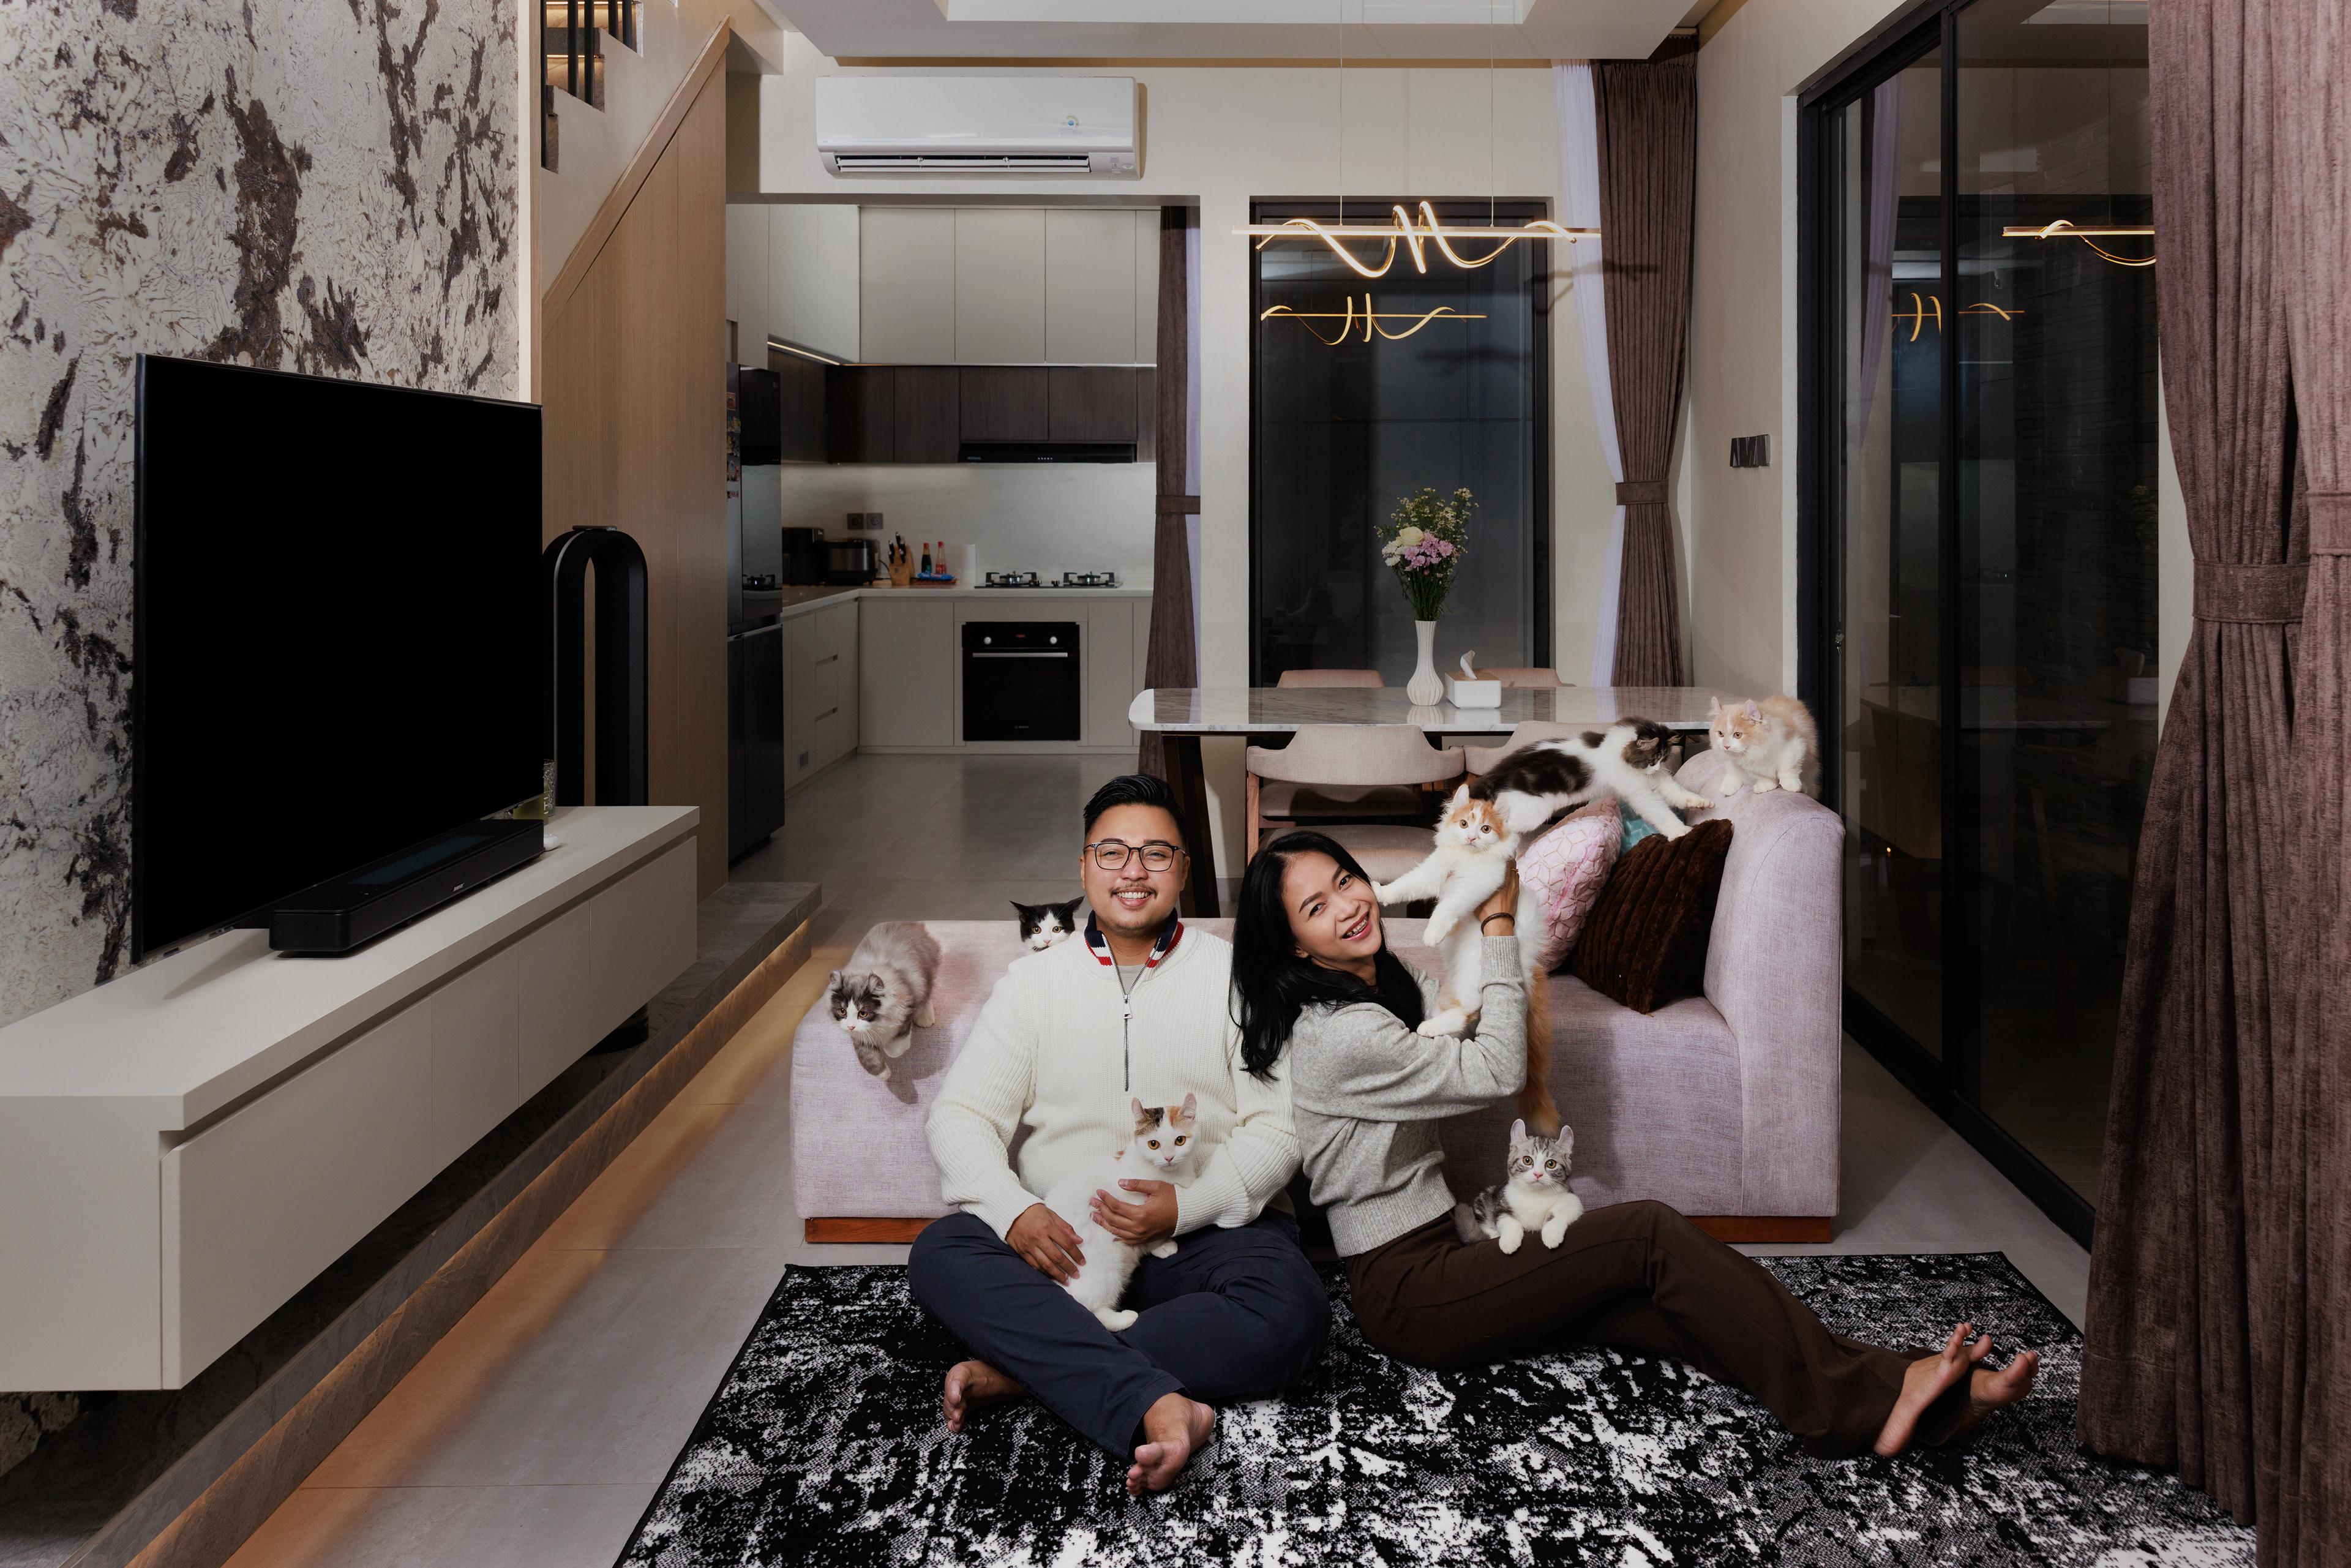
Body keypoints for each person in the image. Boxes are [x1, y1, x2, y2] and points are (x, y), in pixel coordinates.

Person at [1233, 828, 2039, 1459]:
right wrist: (1500, 921)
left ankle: (1921, 1394)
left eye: (1346, 880)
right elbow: (1499, 1066)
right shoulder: (1342, 1033)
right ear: (1296, 945)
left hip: (1442, 1253)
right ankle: (1856, 1405)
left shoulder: (1379, 990)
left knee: (1669, 1308)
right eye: (1316, 906)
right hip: (1408, 1287)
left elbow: (1470, 1024)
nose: (1348, 905)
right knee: (1648, 1234)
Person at [909, 775, 1328, 1495]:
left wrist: (1185, 1207)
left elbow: (1279, 1125)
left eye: (1156, 852)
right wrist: (1017, 1212)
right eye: (1112, 851)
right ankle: (1155, 1395)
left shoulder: (1240, 977)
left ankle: (1026, 1368)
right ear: (1084, 867)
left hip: (1203, 1236)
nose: (1133, 869)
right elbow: (961, 1116)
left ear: (1184, 870)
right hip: (1070, 1238)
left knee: (1293, 1310)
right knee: (941, 1252)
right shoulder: (1031, 984)